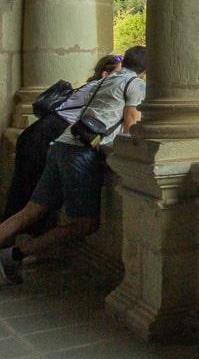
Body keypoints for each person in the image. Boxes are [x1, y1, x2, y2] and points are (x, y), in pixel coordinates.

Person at [0, 46, 146, 284]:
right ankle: (13, 255)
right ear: (145, 69)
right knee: (86, 224)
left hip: (60, 143)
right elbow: (131, 125)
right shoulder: (136, 84)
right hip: (80, 152)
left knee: (30, 211)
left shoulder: (106, 79)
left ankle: (10, 256)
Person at [0, 55, 124, 245]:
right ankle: (12, 246)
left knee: (29, 195)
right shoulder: (103, 90)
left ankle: (18, 245)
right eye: (120, 72)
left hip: (41, 133)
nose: (124, 78)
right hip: (46, 136)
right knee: (27, 195)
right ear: (105, 73)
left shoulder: (92, 87)